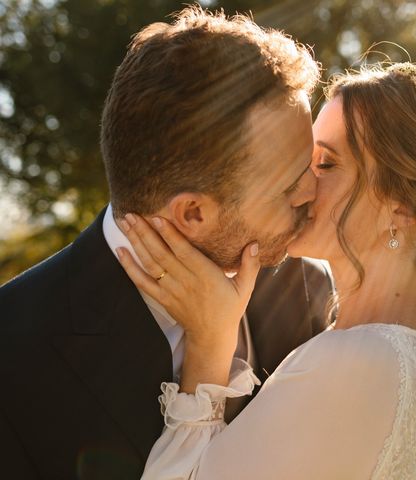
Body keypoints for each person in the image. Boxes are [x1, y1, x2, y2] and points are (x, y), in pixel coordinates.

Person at [116, 62, 416, 479]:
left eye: (325, 164)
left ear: (405, 202)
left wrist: (211, 345)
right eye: (302, 158)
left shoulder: (350, 361)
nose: (300, 183)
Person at [0, 7, 333, 479]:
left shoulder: (306, 289)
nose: (312, 193)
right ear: (192, 213)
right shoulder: (12, 353)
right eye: (288, 186)